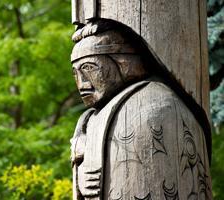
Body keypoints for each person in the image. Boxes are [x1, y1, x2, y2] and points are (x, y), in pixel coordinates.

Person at [70, 20, 212, 200]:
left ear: (123, 63)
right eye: (76, 73)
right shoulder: (89, 119)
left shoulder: (157, 105)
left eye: (89, 68)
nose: (82, 83)